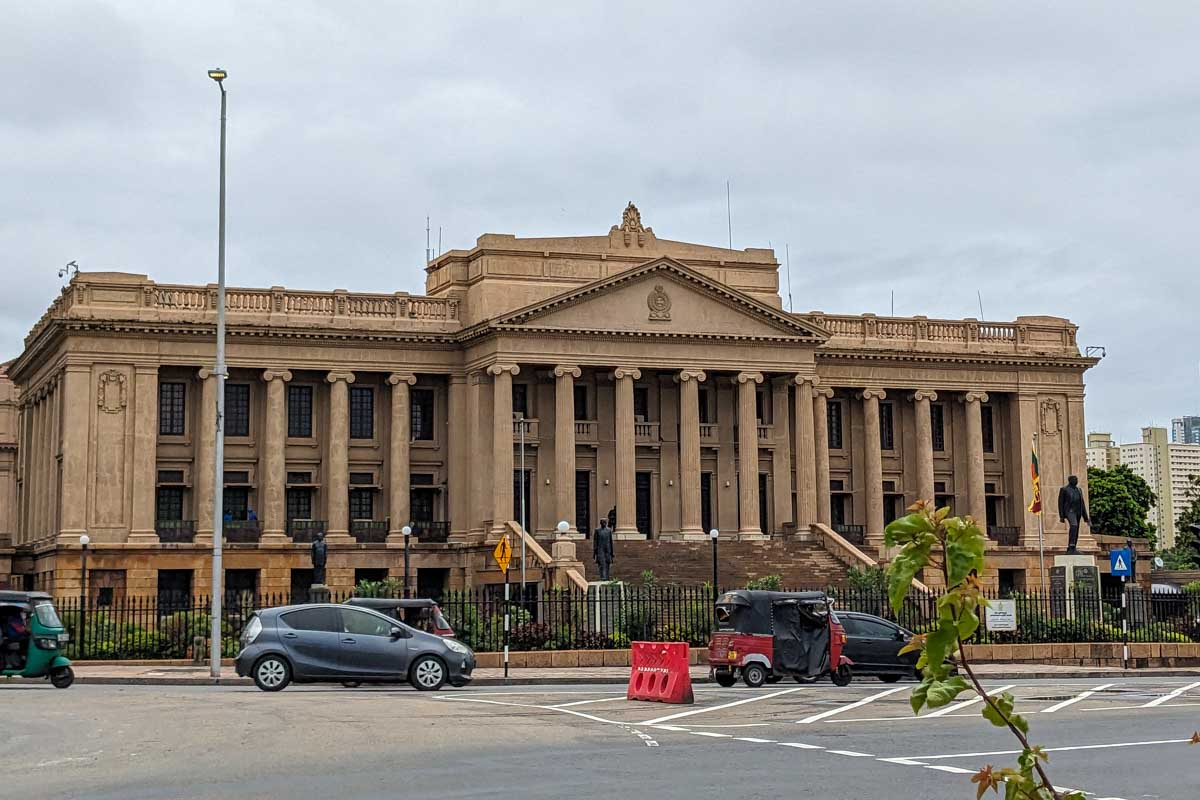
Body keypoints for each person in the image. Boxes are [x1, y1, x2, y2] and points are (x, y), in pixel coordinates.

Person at [1057, 475, 1090, 555]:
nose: (1076, 481)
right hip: (1069, 511)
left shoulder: (1079, 490)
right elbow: (1060, 503)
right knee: (1074, 525)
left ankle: (1073, 547)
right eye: (1074, 479)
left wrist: (1086, 518)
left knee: (1077, 529)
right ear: (1070, 480)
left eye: (1076, 479)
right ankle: (1071, 545)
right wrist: (1061, 516)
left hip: (1077, 512)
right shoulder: (1064, 489)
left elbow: (1082, 504)